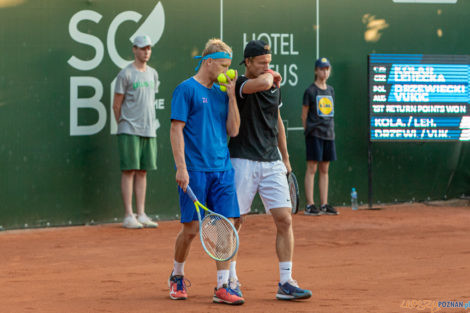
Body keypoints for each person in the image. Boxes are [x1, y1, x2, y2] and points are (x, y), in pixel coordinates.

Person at [228, 40, 312, 301]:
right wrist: (272, 76)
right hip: (242, 161)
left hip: (271, 161)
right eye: (262, 62)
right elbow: (264, 84)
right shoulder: (242, 84)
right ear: (248, 63)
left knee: (285, 219)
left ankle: (286, 281)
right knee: (235, 222)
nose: (267, 66)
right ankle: (230, 279)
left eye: (269, 62)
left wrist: (285, 159)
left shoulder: (273, 85)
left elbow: (277, 123)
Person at [168, 38, 244, 305]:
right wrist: (181, 168)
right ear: (208, 62)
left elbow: (233, 130)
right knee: (190, 230)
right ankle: (177, 276)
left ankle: (224, 285)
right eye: (223, 65)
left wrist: (232, 96)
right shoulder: (185, 89)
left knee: (228, 227)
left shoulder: (223, 93)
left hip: (222, 170)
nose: (227, 71)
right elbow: (176, 130)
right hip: (195, 171)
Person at [113, 35, 160, 229]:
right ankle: (128, 215)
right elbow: (116, 105)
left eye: (148, 48)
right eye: (142, 48)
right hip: (129, 129)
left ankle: (141, 214)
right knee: (129, 170)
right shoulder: (125, 74)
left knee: (142, 171)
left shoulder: (153, 74)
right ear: (134, 49)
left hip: (149, 129)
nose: (146, 52)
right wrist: (124, 125)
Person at [301, 57, 338, 216]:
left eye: (327, 69)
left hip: (329, 134)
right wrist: (308, 132)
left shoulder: (330, 90)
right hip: (314, 134)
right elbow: (304, 115)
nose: (325, 71)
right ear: (316, 70)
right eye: (322, 69)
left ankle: (324, 204)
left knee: (325, 169)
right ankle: (310, 205)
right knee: (312, 169)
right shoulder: (310, 91)